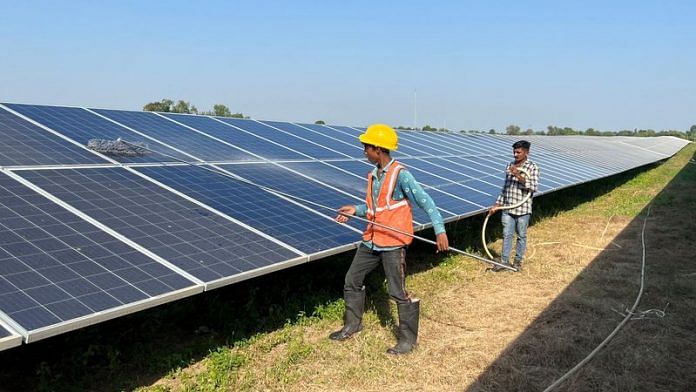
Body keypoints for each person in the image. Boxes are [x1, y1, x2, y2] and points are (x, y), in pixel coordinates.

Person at [330, 123, 449, 355]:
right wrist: (356, 209)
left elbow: (426, 202)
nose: (364, 151)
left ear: (378, 149)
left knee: (397, 291)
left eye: (366, 147)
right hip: (372, 240)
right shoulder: (374, 175)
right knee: (351, 279)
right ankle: (352, 325)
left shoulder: (401, 175)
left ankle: (407, 341)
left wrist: (440, 230)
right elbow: (377, 207)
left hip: (393, 242)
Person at [488, 140, 540, 272]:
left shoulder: (532, 167)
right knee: (507, 235)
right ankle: (504, 262)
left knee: (521, 236)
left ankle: (517, 262)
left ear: (526, 152)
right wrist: (497, 205)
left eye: (518, 152)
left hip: (523, 209)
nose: (515, 154)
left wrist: (517, 174)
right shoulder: (509, 165)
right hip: (507, 208)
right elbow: (505, 188)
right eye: (514, 152)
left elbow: (533, 187)